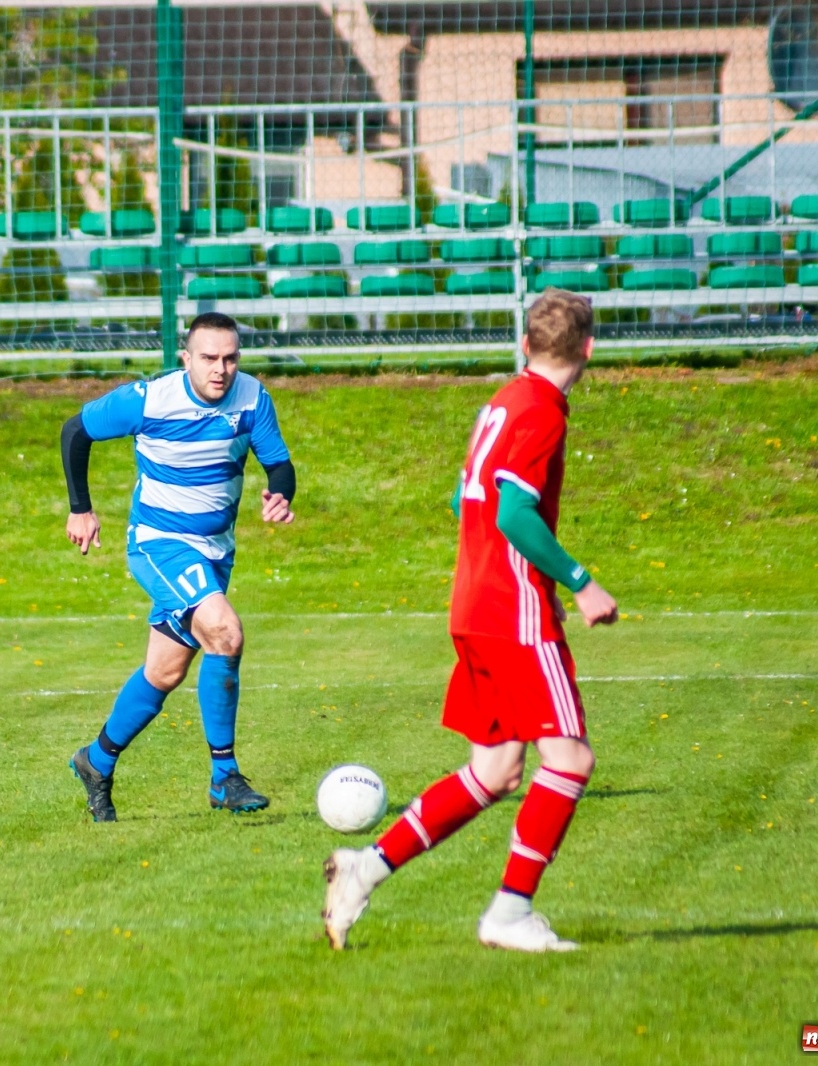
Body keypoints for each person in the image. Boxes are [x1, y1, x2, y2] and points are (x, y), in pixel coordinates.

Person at [321, 288, 619, 954]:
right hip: (514, 611)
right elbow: (512, 513)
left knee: (496, 770)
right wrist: (580, 583)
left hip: (475, 604)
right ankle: (510, 913)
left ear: (525, 344)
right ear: (589, 349)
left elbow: (467, 500)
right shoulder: (541, 411)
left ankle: (364, 869)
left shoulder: (504, 401)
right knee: (569, 760)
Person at [60, 311, 296, 821]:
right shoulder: (149, 400)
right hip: (159, 543)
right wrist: (81, 508)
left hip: (215, 551)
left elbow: (278, 463)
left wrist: (281, 492)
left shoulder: (252, 398)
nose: (221, 369)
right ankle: (224, 777)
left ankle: (96, 761)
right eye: (209, 358)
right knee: (224, 632)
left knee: (164, 671)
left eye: (230, 358)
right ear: (185, 358)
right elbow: (76, 430)